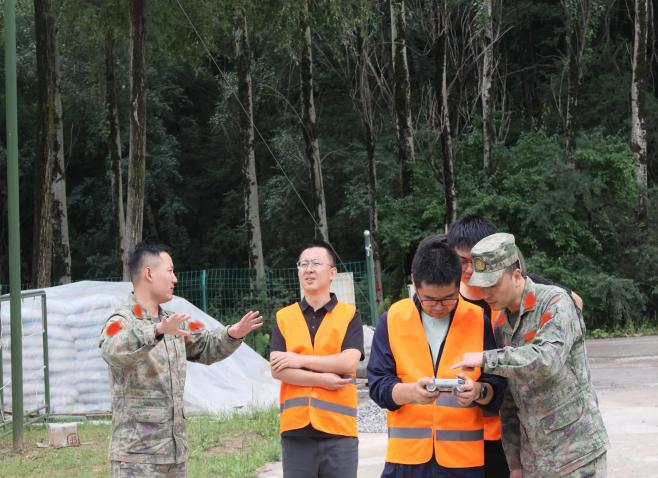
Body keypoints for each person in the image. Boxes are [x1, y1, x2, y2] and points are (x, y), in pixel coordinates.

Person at [452, 233, 609, 478]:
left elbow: (546, 361)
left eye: (492, 285)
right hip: (534, 460)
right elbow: (509, 402)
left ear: (516, 276)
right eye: (482, 286)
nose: (485, 293)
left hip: (576, 455)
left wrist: (486, 359)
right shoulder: (502, 324)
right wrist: (515, 464)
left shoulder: (555, 303)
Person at [99, 243, 263, 478]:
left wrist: (232, 334)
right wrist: (156, 330)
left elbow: (206, 345)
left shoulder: (174, 322)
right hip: (136, 458)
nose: (175, 279)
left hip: (174, 455)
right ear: (149, 273)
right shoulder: (120, 320)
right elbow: (111, 348)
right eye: (170, 271)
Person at [367, 237, 505, 478]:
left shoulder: (477, 319)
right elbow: (378, 384)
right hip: (406, 461)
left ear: (459, 282)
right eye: (430, 299)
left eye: (448, 298)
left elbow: (497, 385)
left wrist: (478, 391)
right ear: (414, 283)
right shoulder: (393, 319)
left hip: (463, 462)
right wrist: (411, 392)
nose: (439, 306)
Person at [269, 241, 364, 478]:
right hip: (296, 432)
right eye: (303, 264)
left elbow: (348, 363)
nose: (308, 269)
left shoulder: (349, 315)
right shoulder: (284, 317)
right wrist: (322, 380)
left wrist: (298, 360)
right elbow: (278, 370)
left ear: (332, 273)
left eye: (316, 263)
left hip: (339, 431)